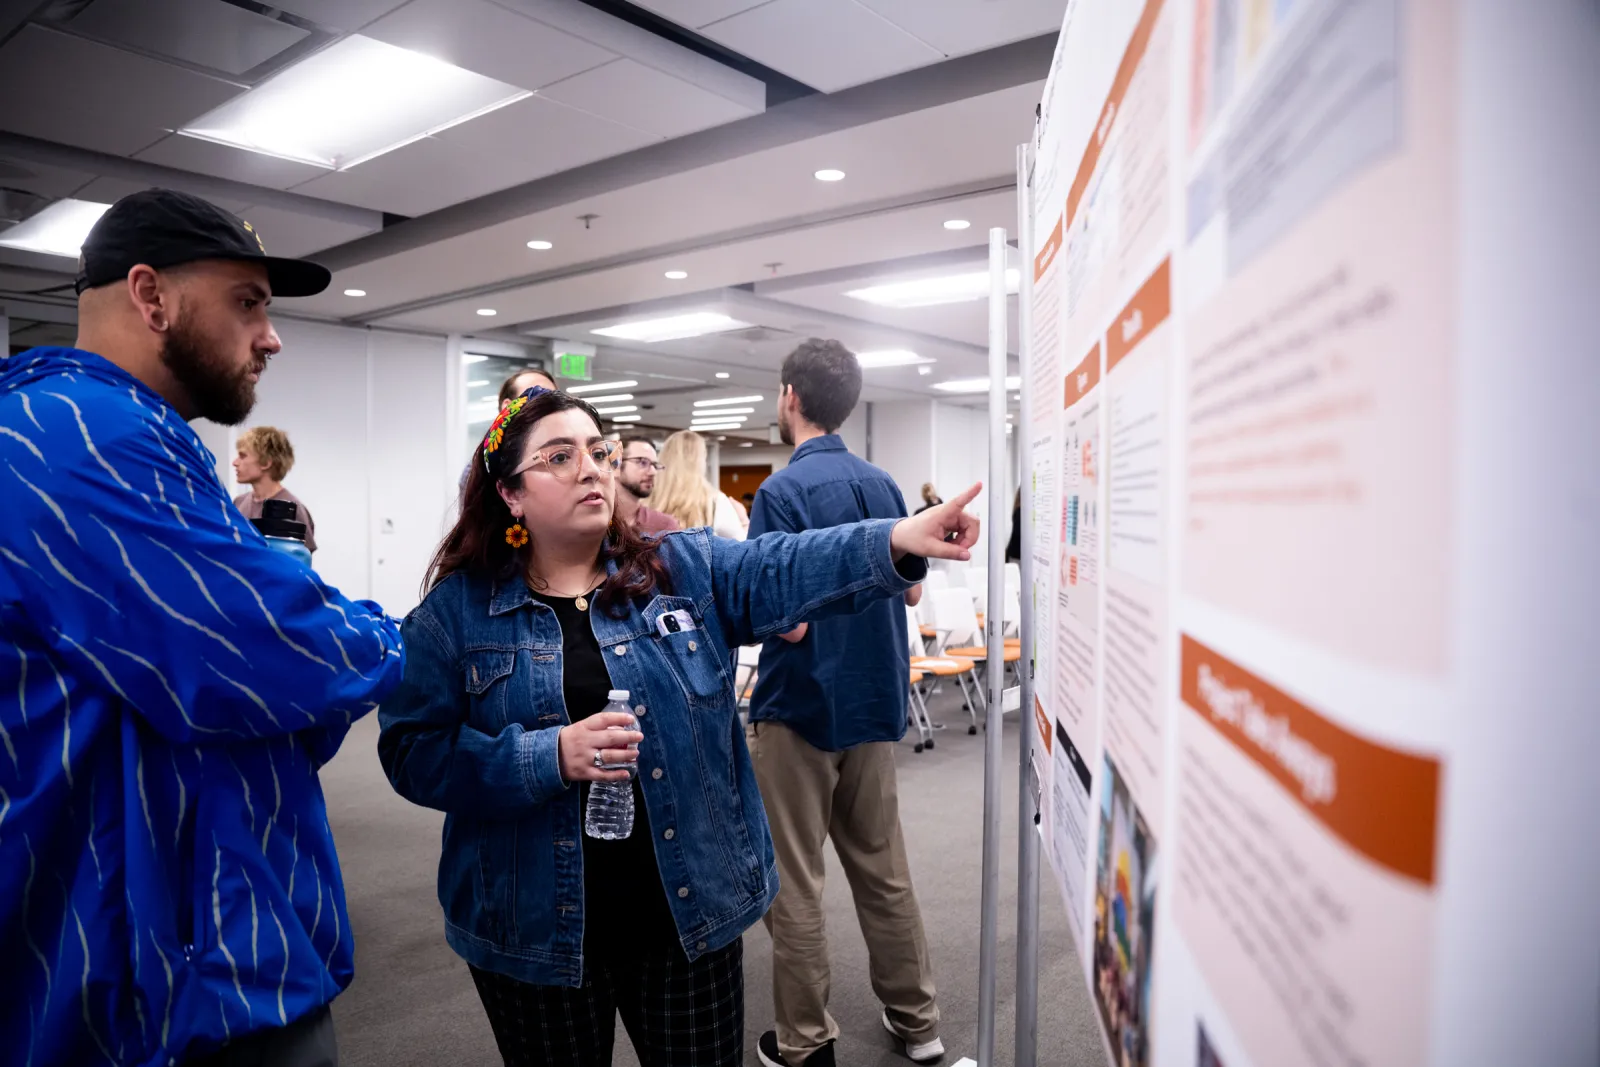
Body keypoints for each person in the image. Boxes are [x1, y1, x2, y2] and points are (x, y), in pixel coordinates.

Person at [376, 387, 980, 1067]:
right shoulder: (455, 615)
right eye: (560, 456)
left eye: (598, 451)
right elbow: (412, 751)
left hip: (687, 919)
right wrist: (548, 755)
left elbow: (779, 565)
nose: (591, 468)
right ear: (511, 495)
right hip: (535, 934)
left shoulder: (679, 567)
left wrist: (897, 538)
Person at [0, 189, 405, 1066]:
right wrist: (397, 634)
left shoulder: (131, 433)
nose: (273, 334)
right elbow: (271, 651)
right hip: (154, 988)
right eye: (248, 302)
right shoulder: (79, 432)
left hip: (176, 944)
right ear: (151, 297)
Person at [746, 339, 945, 1067]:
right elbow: (914, 587)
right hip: (874, 701)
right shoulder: (884, 485)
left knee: (795, 882)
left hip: (798, 708)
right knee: (883, 870)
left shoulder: (782, 494)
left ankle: (805, 1042)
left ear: (791, 395)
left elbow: (785, 615)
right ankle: (918, 1023)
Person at [460, 367, 557, 491]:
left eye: (553, 398)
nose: (547, 406)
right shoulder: (481, 471)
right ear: (508, 406)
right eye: (536, 395)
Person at [233, 424, 319, 553]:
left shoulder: (293, 509)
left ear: (266, 463)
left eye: (243, 456)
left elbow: (301, 561)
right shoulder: (238, 503)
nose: (235, 462)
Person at [653, 430, 747, 539]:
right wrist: (744, 521)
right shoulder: (714, 502)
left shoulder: (646, 498)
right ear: (699, 461)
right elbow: (740, 546)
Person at [613, 435, 680, 536]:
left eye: (654, 465)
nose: (653, 472)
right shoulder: (594, 521)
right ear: (615, 466)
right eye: (642, 462)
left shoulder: (664, 527)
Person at [1006, 487, 1022, 562]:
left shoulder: (1018, 510)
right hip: (1015, 555)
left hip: (1015, 554)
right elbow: (1019, 534)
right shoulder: (1019, 512)